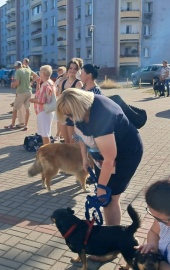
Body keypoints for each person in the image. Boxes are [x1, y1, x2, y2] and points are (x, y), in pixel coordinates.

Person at [56, 89, 143, 230]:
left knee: (110, 199)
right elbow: (81, 135)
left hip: (125, 154)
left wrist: (102, 188)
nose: (70, 119)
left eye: (70, 115)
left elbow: (110, 158)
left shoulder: (101, 117)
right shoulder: (81, 110)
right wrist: (85, 158)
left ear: (79, 109)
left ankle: (114, 242)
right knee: (105, 197)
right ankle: (111, 239)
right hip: (103, 153)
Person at [57, 59, 84, 143]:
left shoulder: (78, 83)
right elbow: (59, 97)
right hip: (63, 115)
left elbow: (79, 102)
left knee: (73, 142)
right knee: (66, 141)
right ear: (67, 69)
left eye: (75, 69)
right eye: (71, 68)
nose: (72, 70)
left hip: (72, 116)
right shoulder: (62, 82)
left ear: (77, 70)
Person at [29, 65, 56, 145]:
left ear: (43, 73)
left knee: (45, 134)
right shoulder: (49, 83)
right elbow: (39, 94)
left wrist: (32, 100)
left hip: (44, 111)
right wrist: (38, 83)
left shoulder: (45, 85)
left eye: (40, 72)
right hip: (45, 111)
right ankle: (47, 150)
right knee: (45, 132)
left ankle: (47, 152)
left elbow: (41, 100)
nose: (39, 73)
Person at [5, 61, 32, 131]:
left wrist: (12, 84)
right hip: (29, 91)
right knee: (27, 109)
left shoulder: (18, 71)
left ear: (16, 67)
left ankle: (12, 124)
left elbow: (17, 82)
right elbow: (35, 76)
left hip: (21, 92)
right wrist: (31, 83)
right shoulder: (27, 70)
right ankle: (26, 125)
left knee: (15, 108)